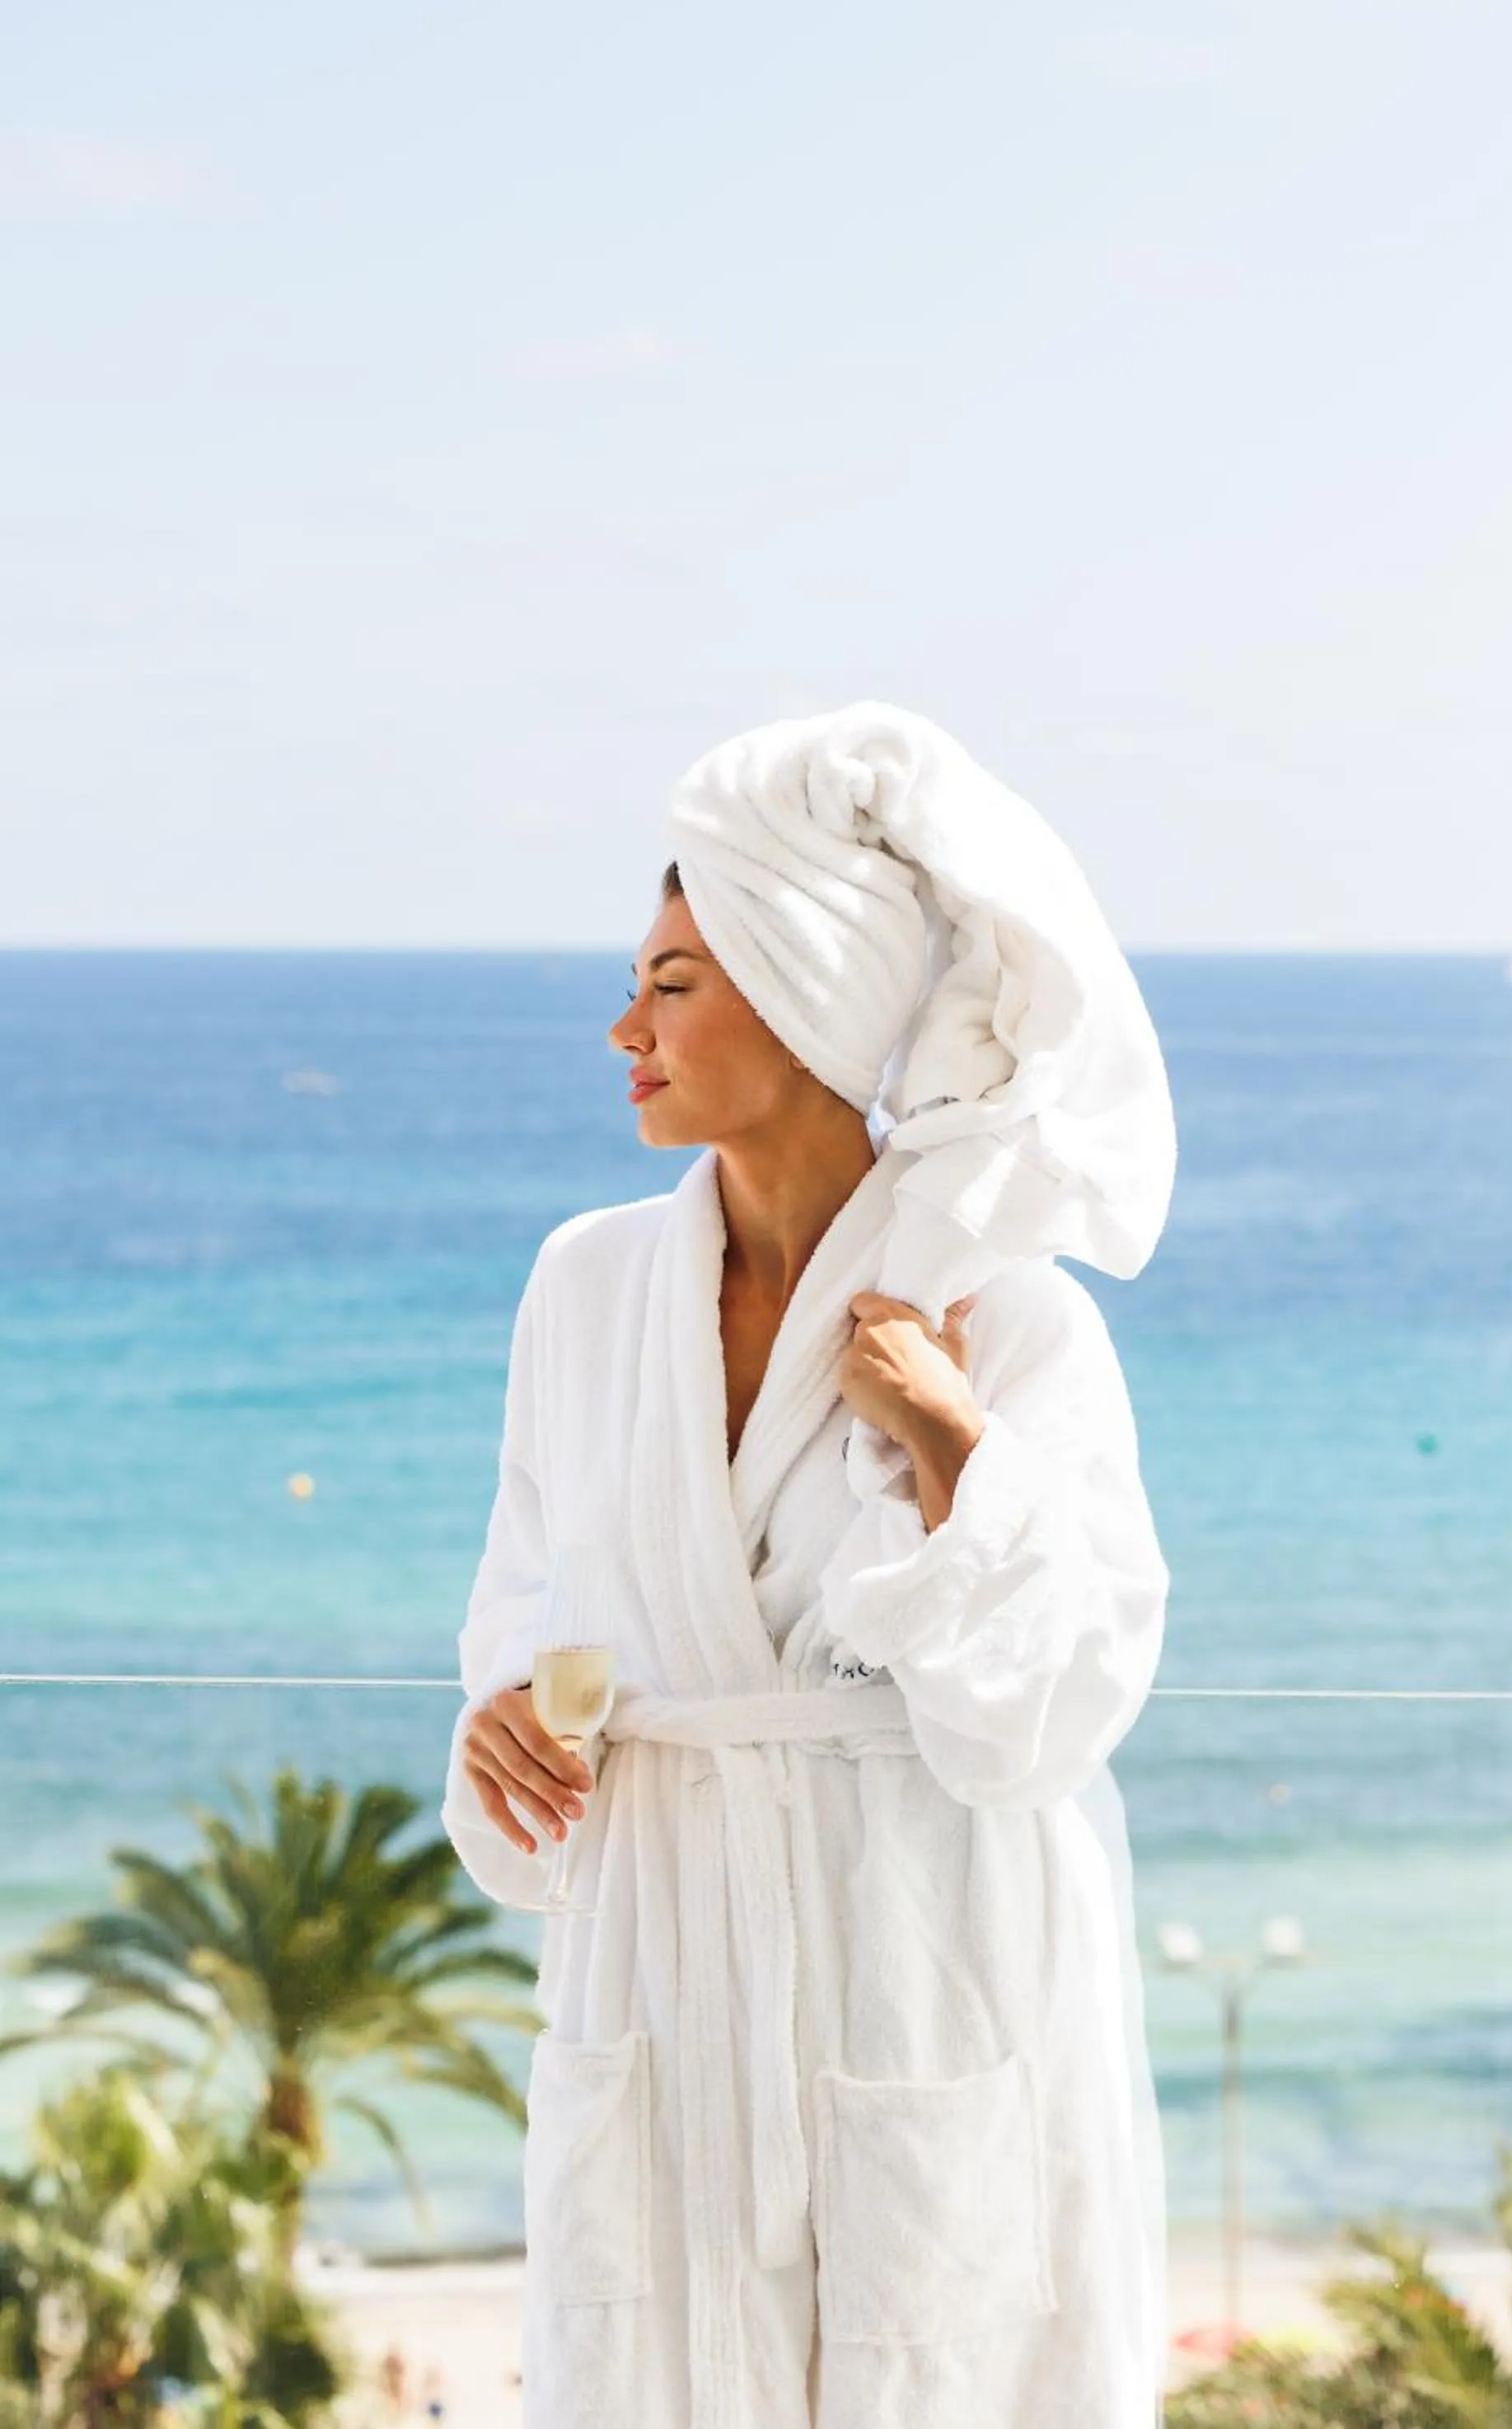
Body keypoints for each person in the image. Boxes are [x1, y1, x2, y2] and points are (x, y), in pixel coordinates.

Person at [441, 701, 1177, 2428]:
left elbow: (1059, 1712)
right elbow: (523, 1606)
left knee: (950, 2356)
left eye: (675, 984)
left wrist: (952, 1444)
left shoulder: (1012, 1320)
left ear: (809, 994)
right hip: (665, 1959)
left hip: (921, 1950)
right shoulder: (586, 1287)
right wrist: (499, 1727)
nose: (622, 1027)